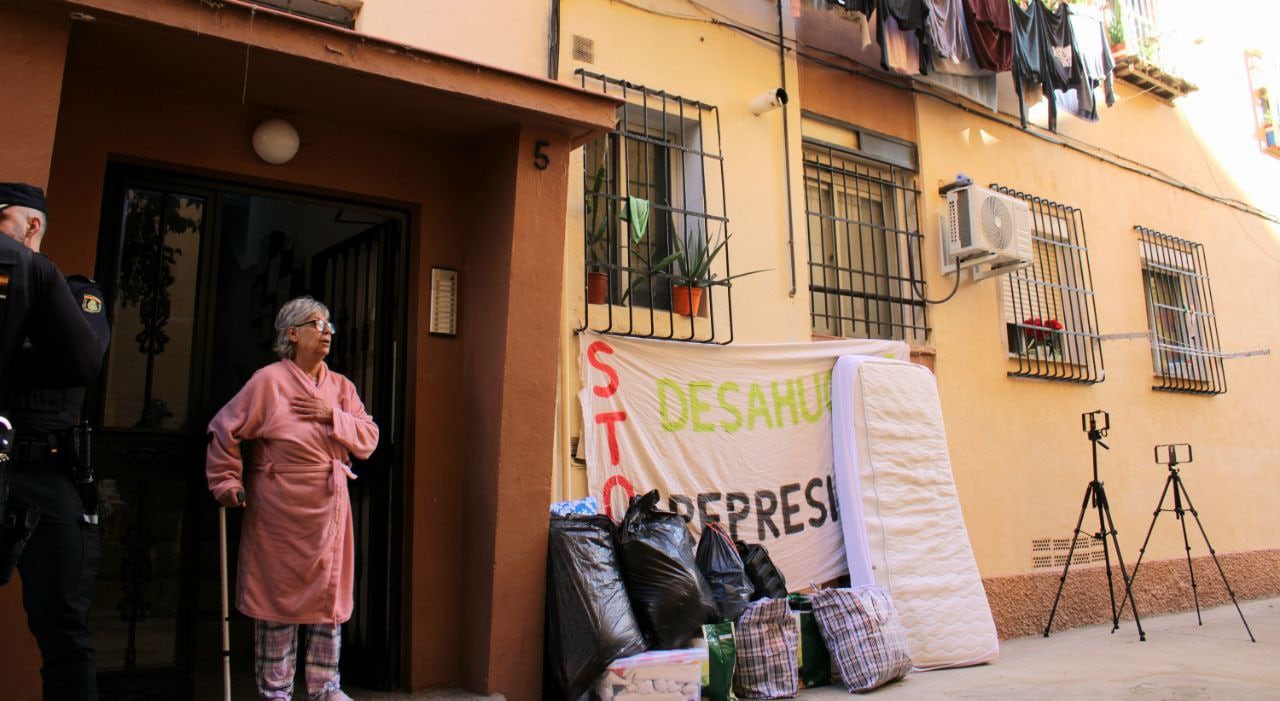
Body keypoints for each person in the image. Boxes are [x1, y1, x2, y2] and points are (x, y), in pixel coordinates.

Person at [206, 296, 378, 701]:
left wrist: (329, 414)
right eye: (317, 324)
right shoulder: (268, 381)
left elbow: (368, 439)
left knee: (327, 597)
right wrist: (226, 480)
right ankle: (276, 691)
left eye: (329, 325)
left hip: (328, 507)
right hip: (279, 511)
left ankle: (325, 688)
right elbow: (223, 428)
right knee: (277, 601)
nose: (327, 332)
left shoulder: (341, 388)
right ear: (292, 333)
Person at [0, 182, 111, 701]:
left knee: (63, 630)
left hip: (46, 476)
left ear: (31, 226)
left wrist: (36, 274)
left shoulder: (74, 291)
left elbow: (82, 361)